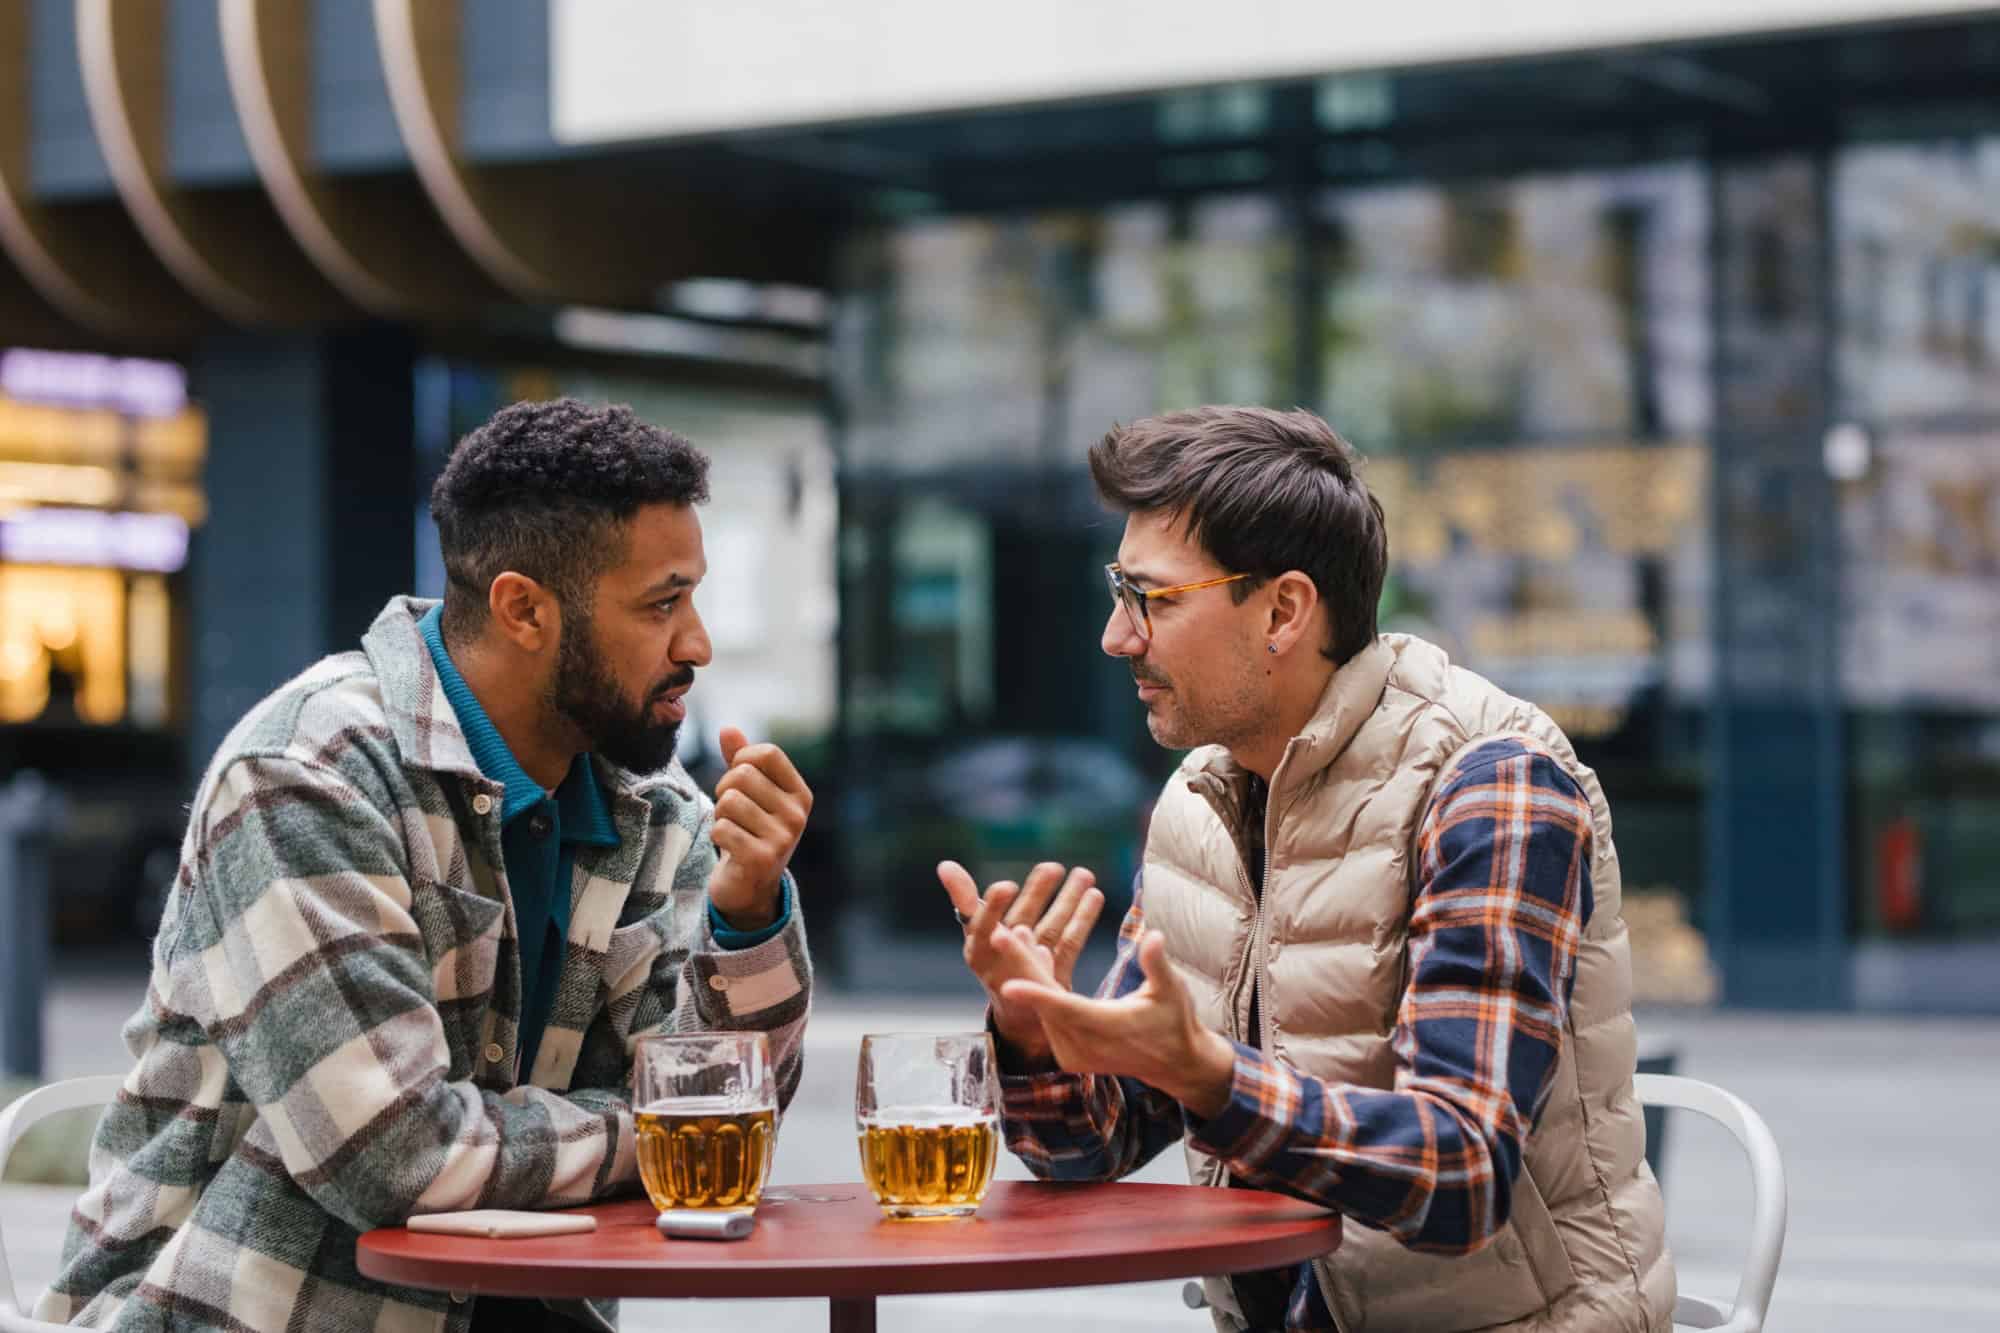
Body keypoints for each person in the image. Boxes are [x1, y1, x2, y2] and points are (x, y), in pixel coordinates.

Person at [39, 399, 815, 1332]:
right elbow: (394, 1157)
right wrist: (655, 1130)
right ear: (524, 609)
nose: (698, 643)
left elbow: (730, 1129)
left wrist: (748, 914)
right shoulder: (306, 776)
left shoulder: (655, 808)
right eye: (662, 603)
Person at [940, 406, 1673, 1332]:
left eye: (1151, 598)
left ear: (1283, 611)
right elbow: (1091, 1145)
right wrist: (1037, 1032)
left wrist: (1214, 1078)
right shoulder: (1202, 799)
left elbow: (1461, 1173)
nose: (1116, 636)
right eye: (1119, 591)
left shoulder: (1490, 784)